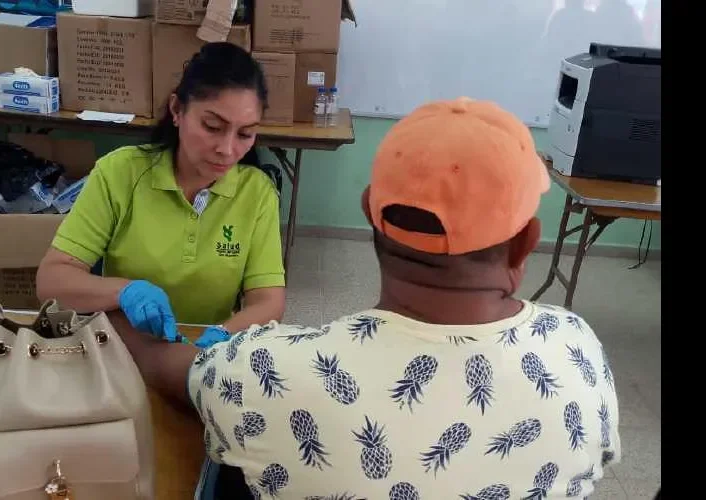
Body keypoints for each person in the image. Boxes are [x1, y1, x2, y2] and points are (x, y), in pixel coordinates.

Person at [116, 97, 621, 498]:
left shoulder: (266, 372)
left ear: (368, 211)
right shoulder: (578, 353)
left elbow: (165, 369)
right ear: (526, 242)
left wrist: (111, 309)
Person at [36, 42, 286, 345]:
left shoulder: (256, 193)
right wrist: (124, 291)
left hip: (203, 349)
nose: (227, 149)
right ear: (177, 110)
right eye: (212, 126)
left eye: (245, 134)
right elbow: (51, 281)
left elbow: (268, 302)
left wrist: (223, 334)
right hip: (123, 344)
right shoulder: (120, 173)